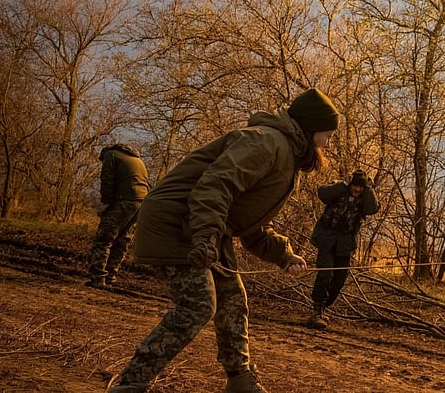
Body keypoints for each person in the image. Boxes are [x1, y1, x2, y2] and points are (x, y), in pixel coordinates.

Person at [107, 88, 340, 393]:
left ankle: (240, 381)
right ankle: (131, 383)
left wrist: (283, 255)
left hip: (205, 226)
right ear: (311, 127)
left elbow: (250, 225)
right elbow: (214, 187)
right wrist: (205, 238)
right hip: (177, 222)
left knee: (232, 300)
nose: (328, 141)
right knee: (199, 304)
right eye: (327, 132)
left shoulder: (286, 154)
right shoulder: (265, 142)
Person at [305, 169, 380, 329]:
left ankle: (324, 307)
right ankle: (316, 311)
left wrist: (369, 190)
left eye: (361, 187)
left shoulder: (364, 198)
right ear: (350, 184)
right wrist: (343, 184)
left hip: (345, 244)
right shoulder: (338, 189)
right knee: (325, 274)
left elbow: (372, 209)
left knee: (339, 280)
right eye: (355, 186)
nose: (357, 189)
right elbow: (323, 194)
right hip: (327, 240)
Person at [86, 143, 149, 288]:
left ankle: (97, 279)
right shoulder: (136, 158)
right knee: (121, 241)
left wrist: (105, 203)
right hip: (141, 202)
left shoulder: (110, 155)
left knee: (104, 239)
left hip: (123, 201)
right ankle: (111, 277)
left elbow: (107, 179)